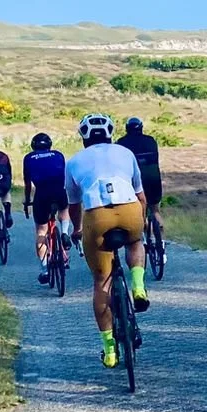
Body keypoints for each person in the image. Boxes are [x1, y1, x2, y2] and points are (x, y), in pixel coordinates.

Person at [65, 114, 149, 368]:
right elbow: (141, 196)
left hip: (97, 215)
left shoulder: (74, 161)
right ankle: (138, 286)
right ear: (111, 133)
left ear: (83, 137)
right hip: (130, 208)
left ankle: (109, 350)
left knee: (101, 281)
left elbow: (73, 205)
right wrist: (140, 221)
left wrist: (77, 230)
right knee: (135, 242)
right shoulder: (126, 153)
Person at [23, 130, 69, 282]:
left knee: (41, 231)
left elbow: (28, 183)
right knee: (63, 210)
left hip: (42, 194)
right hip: (59, 191)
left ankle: (44, 269)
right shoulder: (58, 154)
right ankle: (64, 232)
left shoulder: (29, 158)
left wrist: (27, 200)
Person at [121, 117, 164, 241]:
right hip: (153, 177)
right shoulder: (151, 141)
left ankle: (146, 239)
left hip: (133, 180)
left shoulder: (121, 143)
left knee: (140, 212)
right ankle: (161, 242)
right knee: (155, 209)